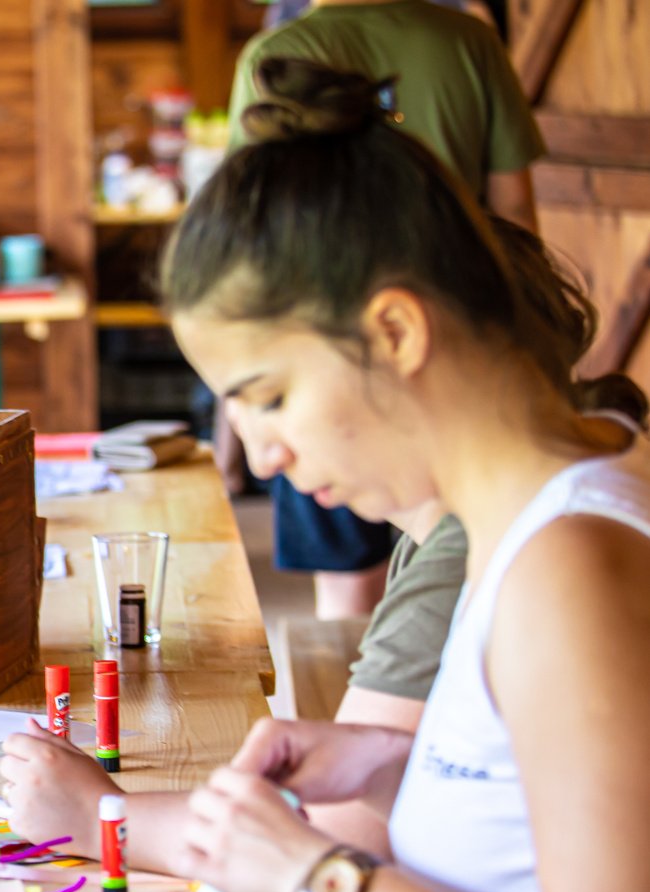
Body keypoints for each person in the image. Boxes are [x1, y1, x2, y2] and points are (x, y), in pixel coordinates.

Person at [84, 59, 648, 892]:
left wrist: (309, 876)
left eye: (269, 397)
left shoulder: (568, 561)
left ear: (391, 329)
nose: (263, 455)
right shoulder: (526, 522)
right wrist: (397, 760)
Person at [217, 11, 546, 620]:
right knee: (469, 559)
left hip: (322, 360)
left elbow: (249, 233)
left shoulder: (277, 54)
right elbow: (515, 218)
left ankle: (364, 698)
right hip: (453, 344)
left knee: (347, 589)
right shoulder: (471, 42)